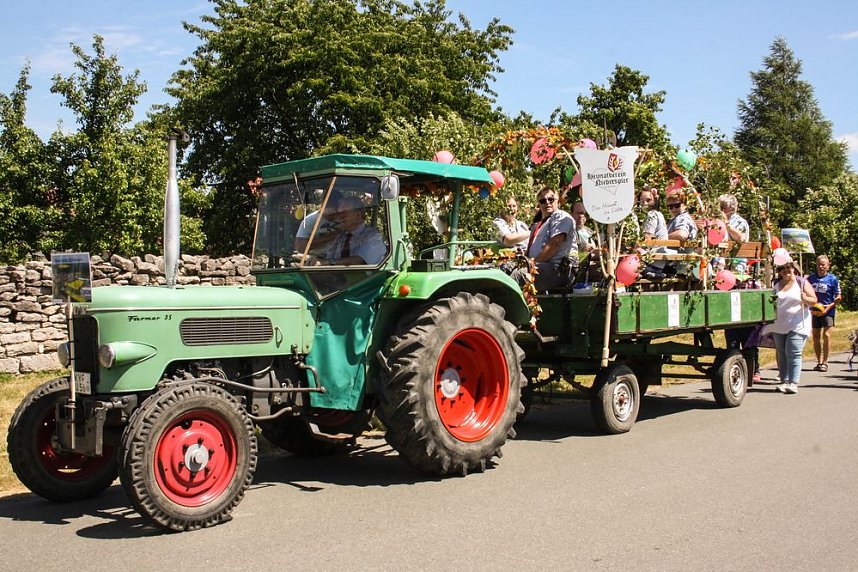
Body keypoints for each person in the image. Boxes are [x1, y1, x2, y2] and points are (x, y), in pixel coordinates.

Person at [764, 260, 818, 394]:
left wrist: (805, 298)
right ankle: (784, 381)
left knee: (793, 352)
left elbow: (814, 300)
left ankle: (793, 383)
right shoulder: (776, 284)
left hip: (798, 324)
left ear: (793, 268)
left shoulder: (801, 283)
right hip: (779, 324)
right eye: (782, 269)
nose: (786, 271)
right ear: (779, 272)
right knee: (781, 354)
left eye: (788, 268)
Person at [512, 187, 577, 290]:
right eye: (543, 201)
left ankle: (505, 305)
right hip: (543, 267)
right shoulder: (538, 225)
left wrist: (533, 265)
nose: (547, 202)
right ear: (539, 204)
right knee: (505, 269)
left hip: (559, 270)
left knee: (519, 276)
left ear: (557, 200)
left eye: (551, 199)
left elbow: (554, 243)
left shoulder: (561, 216)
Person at [322, 196, 386, 265]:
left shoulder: (372, 236)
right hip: (339, 274)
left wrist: (329, 263)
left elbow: (358, 261)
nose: (340, 217)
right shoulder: (341, 237)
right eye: (339, 213)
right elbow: (329, 257)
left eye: (344, 213)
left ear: (358, 214)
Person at [808, 254, 841, 372]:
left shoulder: (832, 279)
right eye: (819, 264)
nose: (820, 267)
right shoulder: (810, 279)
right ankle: (819, 361)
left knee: (826, 335)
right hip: (814, 311)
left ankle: (825, 362)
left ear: (828, 266)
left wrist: (829, 307)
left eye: (823, 265)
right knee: (816, 336)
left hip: (828, 310)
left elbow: (838, 296)